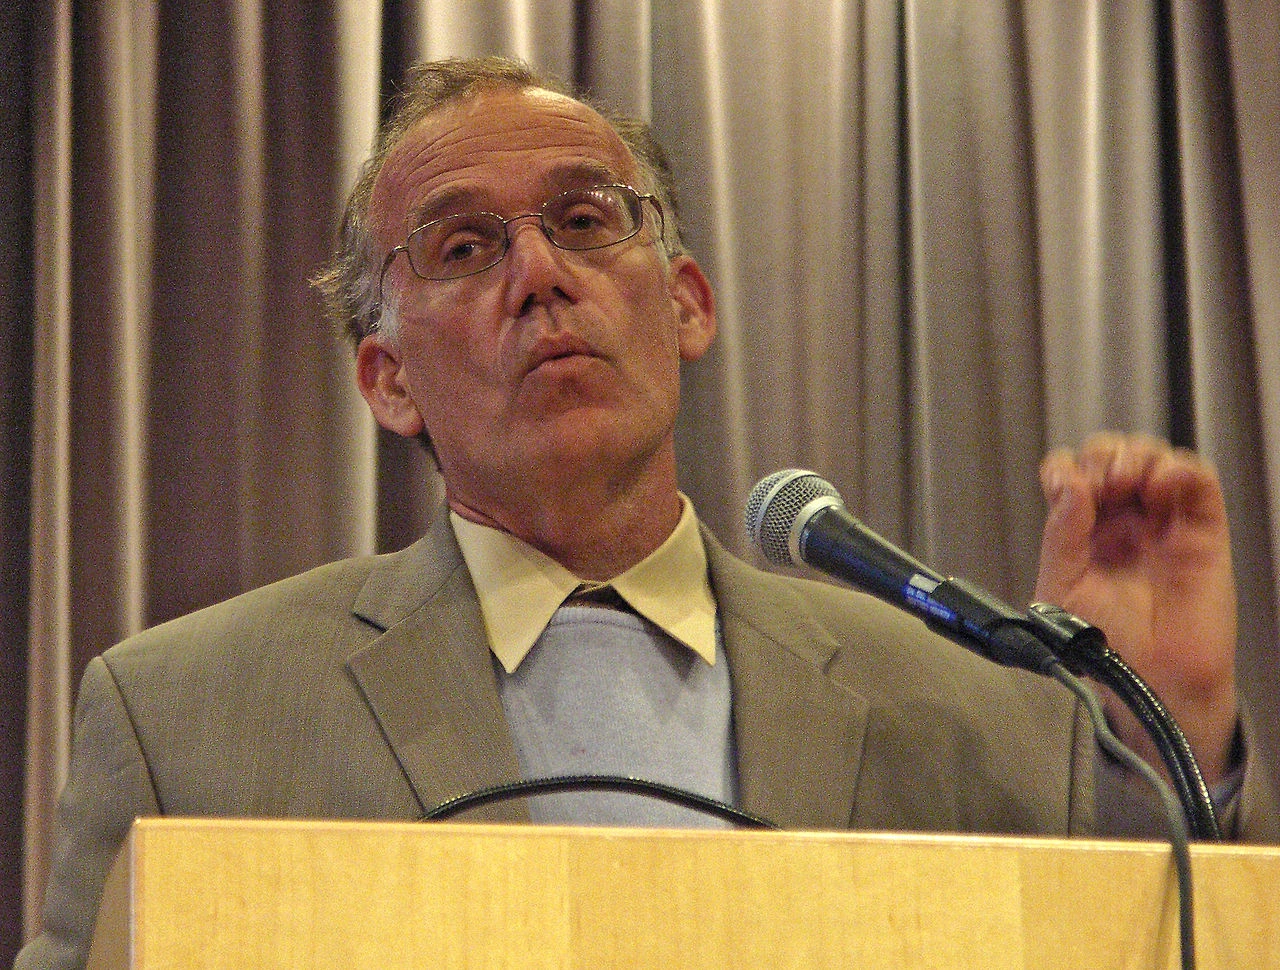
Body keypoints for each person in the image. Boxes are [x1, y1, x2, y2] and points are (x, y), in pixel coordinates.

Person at [16, 55, 1277, 970]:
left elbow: (1162, 948)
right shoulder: (185, 716)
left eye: (582, 220)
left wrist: (1156, 732)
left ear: (682, 303)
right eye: (462, 248)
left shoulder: (974, 706)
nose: (538, 275)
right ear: (386, 376)